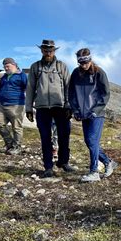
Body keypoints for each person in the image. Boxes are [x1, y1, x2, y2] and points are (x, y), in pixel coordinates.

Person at [25, 39, 75, 178]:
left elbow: (68, 87)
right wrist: (28, 108)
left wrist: (69, 105)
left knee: (64, 135)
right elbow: (30, 88)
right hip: (42, 108)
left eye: (50, 50)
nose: (48, 52)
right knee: (45, 137)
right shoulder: (35, 67)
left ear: (54, 51)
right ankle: (48, 166)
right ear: (41, 50)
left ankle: (63, 162)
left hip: (60, 107)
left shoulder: (61, 66)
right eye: (45, 50)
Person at [69, 48, 117, 182]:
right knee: (89, 142)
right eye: (81, 62)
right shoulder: (75, 73)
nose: (84, 65)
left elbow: (105, 94)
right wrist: (75, 110)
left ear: (90, 59)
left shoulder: (99, 73)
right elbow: (71, 93)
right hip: (83, 114)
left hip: (97, 114)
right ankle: (108, 162)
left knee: (91, 140)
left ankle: (94, 171)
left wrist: (96, 110)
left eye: (86, 61)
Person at [0, 57, 28, 155]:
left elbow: (28, 88)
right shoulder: (4, 77)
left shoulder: (22, 75)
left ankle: (17, 147)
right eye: (5, 67)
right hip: (1, 105)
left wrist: (29, 102)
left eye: (8, 66)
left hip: (16, 105)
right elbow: (0, 89)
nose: (6, 68)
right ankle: (9, 143)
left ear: (14, 65)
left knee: (16, 127)